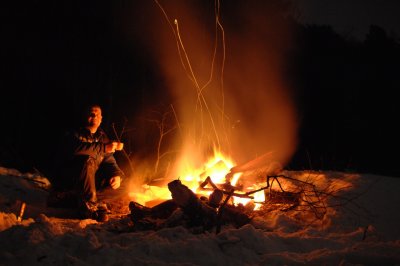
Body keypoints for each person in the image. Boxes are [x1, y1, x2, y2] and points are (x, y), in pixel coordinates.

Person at [47, 104, 125, 222]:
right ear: (85, 116)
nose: (94, 116)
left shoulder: (102, 137)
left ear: (101, 119)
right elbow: (76, 149)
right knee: (86, 161)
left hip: (90, 185)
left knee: (124, 184)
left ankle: (87, 200)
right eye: (91, 114)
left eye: (97, 114)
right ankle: (88, 206)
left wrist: (116, 174)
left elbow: (109, 160)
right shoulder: (73, 133)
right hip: (70, 181)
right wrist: (103, 148)